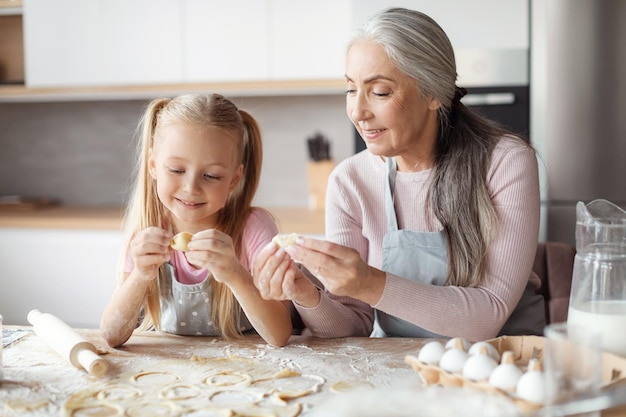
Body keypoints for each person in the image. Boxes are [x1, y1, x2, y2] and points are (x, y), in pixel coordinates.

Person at [253, 7, 544, 341]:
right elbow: (353, 326)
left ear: (434, 93)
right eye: (351, 89)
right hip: (402, 371)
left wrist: (369, 282)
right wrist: (307, 295)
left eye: (379, 92)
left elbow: (488, 316)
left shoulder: (505, 162)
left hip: (506, 368)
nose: (358, 112)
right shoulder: (350, 181)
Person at [100, 93, 292, 348]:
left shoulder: (253, 228)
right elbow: (111, 335)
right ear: (153, 165)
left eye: (211, 176)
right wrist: (141, 274)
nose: (191, 188)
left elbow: (279, 335)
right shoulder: (147, 232)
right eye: (177, 170)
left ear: (234, 179)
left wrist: (234, 273)